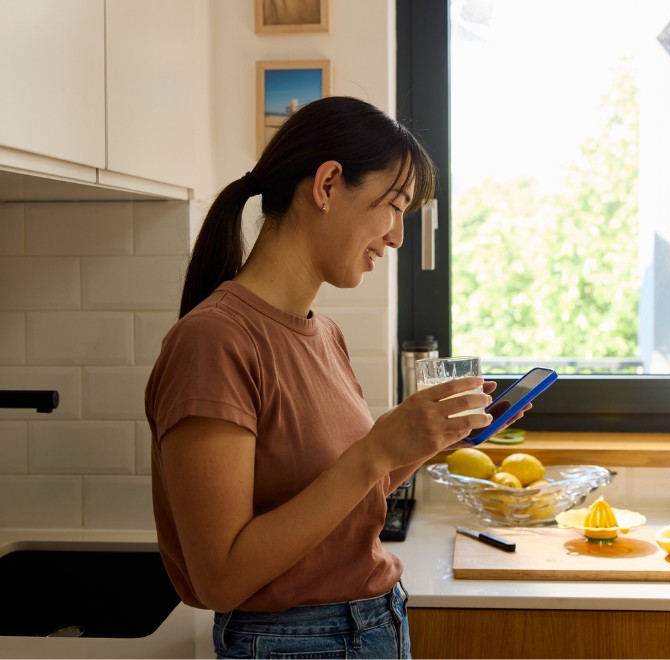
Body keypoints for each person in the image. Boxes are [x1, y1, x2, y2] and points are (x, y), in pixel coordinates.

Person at [145, 96, 518, 659]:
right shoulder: (215, 341)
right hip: (298, 643)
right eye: (393, 206)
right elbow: (220, 577)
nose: (396, 236)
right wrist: (374, 451)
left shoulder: (324, 334)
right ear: (326, 185)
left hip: (371, 625)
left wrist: (426, 441)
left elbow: (333, 506)